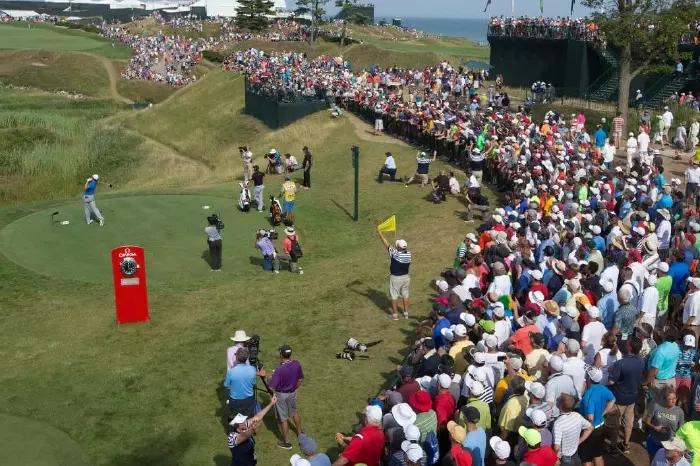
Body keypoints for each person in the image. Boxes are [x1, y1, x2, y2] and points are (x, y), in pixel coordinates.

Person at [608, 336, 645, 453]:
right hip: (632, 397)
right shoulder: (641, 361)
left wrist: (610, 370)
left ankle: (613, 447)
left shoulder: (620, 363)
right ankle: (625, 444)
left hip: (619, 398)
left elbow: (611, 382)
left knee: (616, 423)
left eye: (627, 343)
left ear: (629, 347)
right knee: (629, 422)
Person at [268, 344, 304, 450]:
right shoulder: (297, 364)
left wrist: (269, 377)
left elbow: (271, 387)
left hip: (281, 395)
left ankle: (287, 442)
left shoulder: (279, 369)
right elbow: (300, 379)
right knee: (294, 412)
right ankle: (300, 433)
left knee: (283, 418)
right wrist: (293, 388)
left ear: (281, 354)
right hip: (292, 393)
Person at [578, 367, 615, 466]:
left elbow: (590, 417)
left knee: (586, 459)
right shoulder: (603, 388)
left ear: (589, 379)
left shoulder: (588, 396)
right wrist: (603, 413)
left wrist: (583, 421)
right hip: (601, 426)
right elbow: (612, 399)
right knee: (597, 455)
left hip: (590, 430)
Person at [227, 394, 277, 466]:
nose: (245, 421)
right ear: (237, 427)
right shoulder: (232, 438)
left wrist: (271, 403)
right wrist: (252, 429)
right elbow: (244, 436)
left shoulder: (243, 426)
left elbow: (257, 416)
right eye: (242, 421)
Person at [377, 228, 411, 320]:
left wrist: (380, 234)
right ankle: (406, 313)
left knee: (394, 296)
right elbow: (398, 248)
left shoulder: (395, 253)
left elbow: (386, 244)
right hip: (406, 278)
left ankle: (395, 316)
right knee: (405, 295)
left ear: (398, 247)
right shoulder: (408, 254)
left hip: (395, 278)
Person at [224, 347, 266, 418]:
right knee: (248, 419)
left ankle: (234, 428)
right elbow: (253, 383)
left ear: (237, 357)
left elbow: (226, 385)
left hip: (235, 401)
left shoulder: (231, 372)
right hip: (249, 400)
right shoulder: (252, 370)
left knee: (234, 419)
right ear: (246, 358)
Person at [552, 393, 593, 466]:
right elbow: (590, 428)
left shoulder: (558, 423)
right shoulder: (577, 416)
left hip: (565, 458)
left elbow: (556, 447)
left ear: (560, 406)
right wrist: (579, 441)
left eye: (558, 400)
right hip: (575, 454)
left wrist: (556, 459)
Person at [645, 386, 685, 458]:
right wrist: (654, 427)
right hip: (655, 441)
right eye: (670, 399)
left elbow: (681, 429)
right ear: (664, 399)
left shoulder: (679, 411)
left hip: (669, 444)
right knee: (654, 460)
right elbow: (647, 421)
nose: (673, 401)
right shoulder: (655, 406)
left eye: (674, 398)